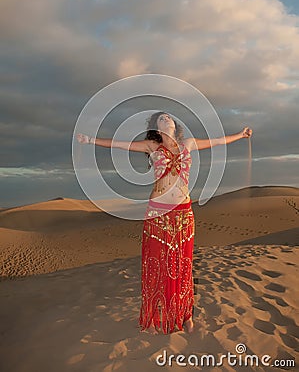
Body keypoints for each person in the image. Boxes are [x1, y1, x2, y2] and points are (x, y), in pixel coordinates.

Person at [77, 112, 252, 335]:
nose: (166, 118)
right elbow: (118, 145)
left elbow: (217, 142)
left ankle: (184, 314)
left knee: (182, 266)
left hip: (184, 213)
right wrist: (90, 140)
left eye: (168, 117)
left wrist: (240, 135)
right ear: (156, 127)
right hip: (158, 214)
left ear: (174, 125)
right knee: (157, 265)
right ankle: (155, 316)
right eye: (161, 118)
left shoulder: (188, 143)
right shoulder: (151, 146)